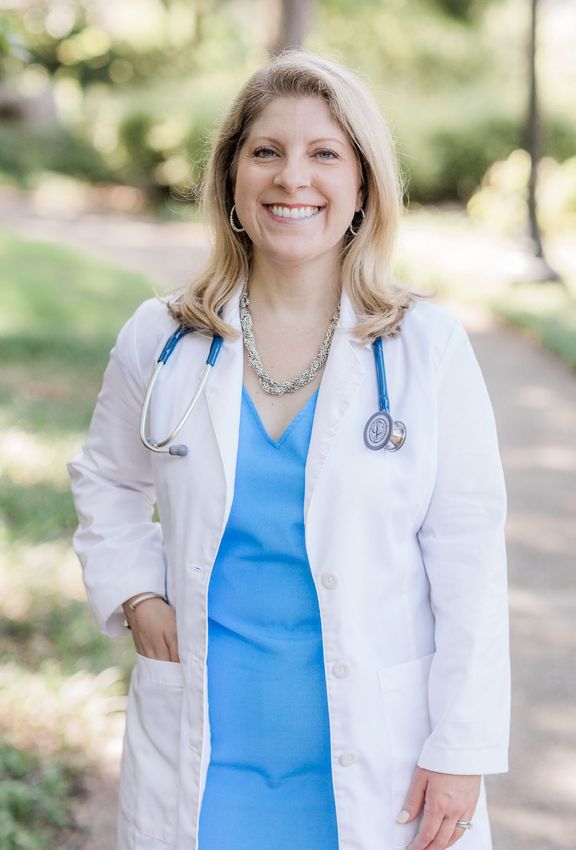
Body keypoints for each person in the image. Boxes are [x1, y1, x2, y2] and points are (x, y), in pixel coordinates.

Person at [67, 49, 510, 850]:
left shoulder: (427, 350)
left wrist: (463, 750)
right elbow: (105, 480)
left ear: (364, 185)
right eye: (266, 151)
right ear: (232, 179)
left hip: (379, 761)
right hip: (207, 755)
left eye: (324, 154)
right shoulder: (164, 339)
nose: (291, 179)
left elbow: (470, 563)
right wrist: (135, 594)